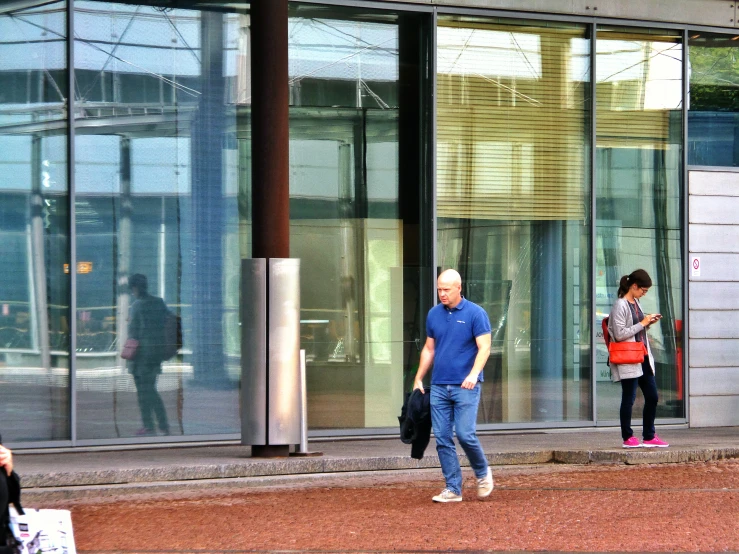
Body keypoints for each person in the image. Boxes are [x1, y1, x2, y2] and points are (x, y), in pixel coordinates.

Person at [412, 269, 493, 502]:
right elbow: (429, 348)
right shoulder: (433, 314)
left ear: (459, 288)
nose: (442, 294)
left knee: (466, 434)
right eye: (439, 289)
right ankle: (453, 488)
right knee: (443, 437)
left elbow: (484, 347)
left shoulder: (476, 313)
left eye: (446, 289)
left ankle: (482, 473)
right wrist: (419, 377)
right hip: (438, 385)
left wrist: (474, 374)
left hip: (466, 385)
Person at [608, 269, 669, 449]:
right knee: (629, 397)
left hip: (642, 356)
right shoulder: (620, 305)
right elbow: (619, 334)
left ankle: (649, 435)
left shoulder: (636, 303)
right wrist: (642, 323)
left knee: (652, 396)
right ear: (634, 286)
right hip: (628, 357)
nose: (644, 293)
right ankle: (628, 437)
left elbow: (636, 330)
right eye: (643, 290)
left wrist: (648, 323)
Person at [127, 273, 170, 436]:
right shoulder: (159, 302)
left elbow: (133, 332)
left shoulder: (137, 305)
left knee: (144, 392)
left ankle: (149, 425)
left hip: (142, 355)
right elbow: (167, 322)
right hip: (156, 352)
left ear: (135, 288)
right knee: (151, 389)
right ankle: (162, 425)